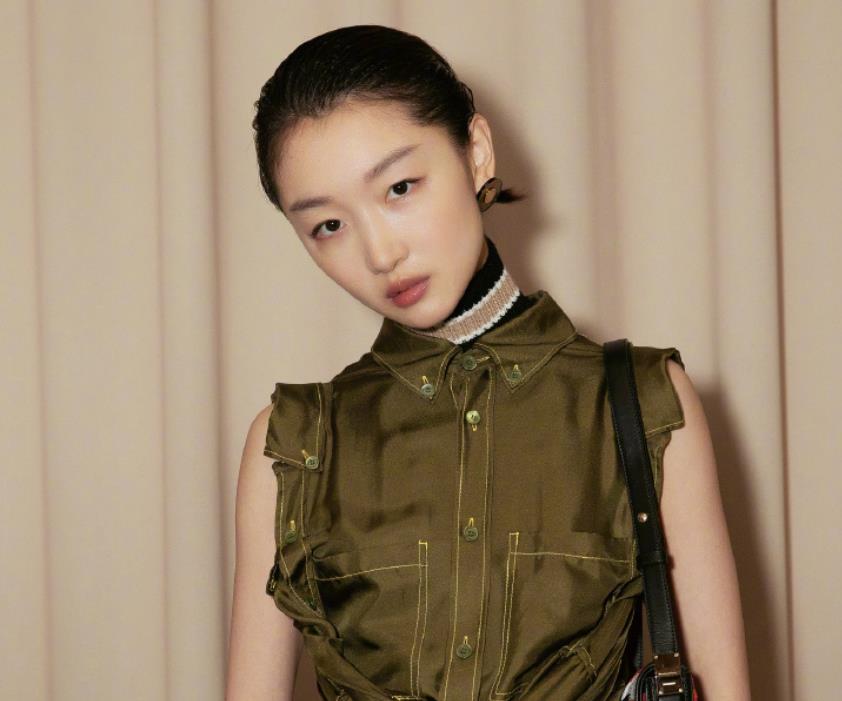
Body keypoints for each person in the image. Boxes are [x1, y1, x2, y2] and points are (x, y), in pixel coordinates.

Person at [226, 24, 750, 701]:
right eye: (329, 225)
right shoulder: (292, 444)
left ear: (475, 154)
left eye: (400, 187)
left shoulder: (646, 403)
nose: (381, 253)